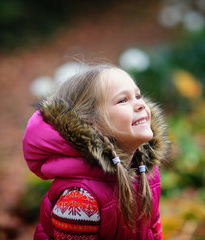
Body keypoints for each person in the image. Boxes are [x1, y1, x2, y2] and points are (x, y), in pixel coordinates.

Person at [23, 63, 170, 240]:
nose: (140, 105)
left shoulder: (145, 172)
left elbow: (152, 230)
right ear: (91, 124)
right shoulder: (79, 200)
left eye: (138, 96)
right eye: (123, 100)